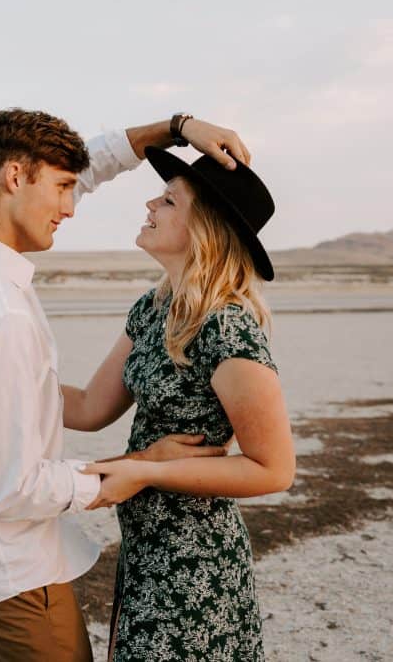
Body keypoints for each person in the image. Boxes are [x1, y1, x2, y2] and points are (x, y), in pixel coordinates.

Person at [0, 108, 252, 661]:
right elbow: (13, 490)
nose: (70, 205)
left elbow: (78, 405)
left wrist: (177, 127)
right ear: (14, 177)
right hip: (7, 572)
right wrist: (140, 468)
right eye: (63, 188)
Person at [66, 147, 295, 660]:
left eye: (169, 200)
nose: (151, 202)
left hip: (196, 564)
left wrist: (149, 473)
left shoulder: (227, 327)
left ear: (205, 230)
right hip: (146, 552)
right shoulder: (153, 307)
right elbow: (85, 406)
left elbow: (274, 469)